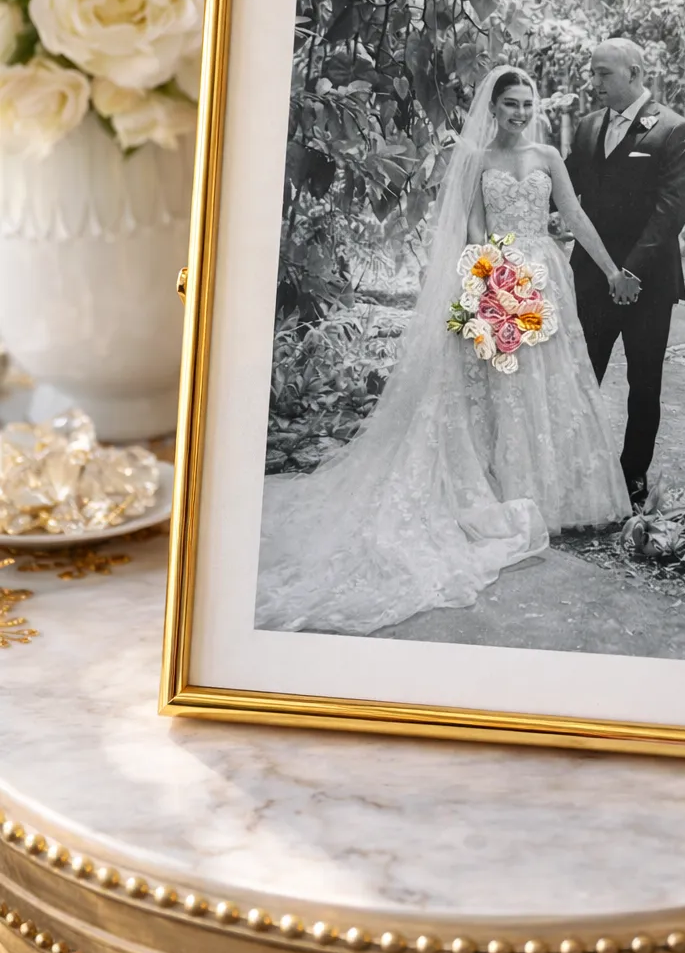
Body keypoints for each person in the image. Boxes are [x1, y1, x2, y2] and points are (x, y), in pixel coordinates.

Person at [255, 65, 630, 637]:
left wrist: (610, 272)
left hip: (547, 275)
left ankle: (551, 496)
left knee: (548, 384)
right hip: (497, 272)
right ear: (494, 108)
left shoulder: (550, 157)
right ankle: (497, 488)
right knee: (497, 382)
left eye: (527, 104)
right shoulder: (479, 161)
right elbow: (474, 229)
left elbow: (575, 218)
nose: (520, 113)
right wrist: (499, 282)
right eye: (511, 104)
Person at [566, 39, 685, 510]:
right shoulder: (585, 129)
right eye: (593, 73)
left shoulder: (673, 130)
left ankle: (632, 478)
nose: (594, 83)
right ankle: (575, 469)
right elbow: (563, 191)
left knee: (644, 384)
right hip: (590, 277)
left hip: (648, 281)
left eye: (603, 74)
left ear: (635, 73)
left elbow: (670, 212)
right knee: (581, 375)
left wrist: (629, 272)